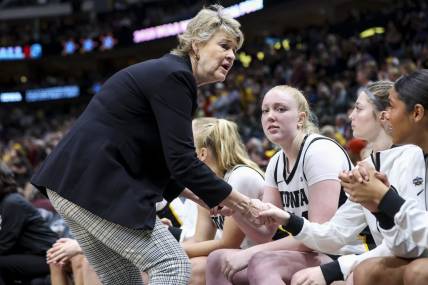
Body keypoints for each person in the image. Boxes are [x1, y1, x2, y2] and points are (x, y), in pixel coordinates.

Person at [30, 5, 261, 285]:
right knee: (171, 264)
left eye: (234, 50)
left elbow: (167, 163)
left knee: (123, 279)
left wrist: (208, 199)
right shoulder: (175, 77)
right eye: (224, 45)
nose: (231, 56)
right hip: (92, 185)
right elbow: (183, 162)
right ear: (197, 44)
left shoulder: (166, 74)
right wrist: (243, 204)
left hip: (74, 184)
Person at [252, 81, 427, 285]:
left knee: (375, 273)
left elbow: (412, 243)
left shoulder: (411, 157)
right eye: (265, 110)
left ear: (383, 115)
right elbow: (336, 232)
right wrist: (287, 219)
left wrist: (336, 269)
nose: (350, 116)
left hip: (375, 254)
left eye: (358, 108)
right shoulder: (367, 166)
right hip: (386, 254)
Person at [206, 85, 358, 285]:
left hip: (340, 253)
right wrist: (235, 210)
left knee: (263, 262)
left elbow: (318, 236)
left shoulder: (319, 151)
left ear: (301, 118)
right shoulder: (277, 162)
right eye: (265, 110)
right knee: (217, 259)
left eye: (280, 109)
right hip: (307, 252)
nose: (270, 116)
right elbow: (265, 234)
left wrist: (250, 253)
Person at [343, 70, 428, 285]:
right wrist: (379, 209)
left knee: (419, 272)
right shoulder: (416, 157)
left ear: (417, 113)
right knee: (367, 272)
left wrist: (385, 197)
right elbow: (409, 246)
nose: (385, 115)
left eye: (390, 106)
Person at [183, 117, 265, 285]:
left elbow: (229, 243)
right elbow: (200, 240)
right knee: (173, 265)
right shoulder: (208, 184)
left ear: (202, 153)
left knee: (194, 270)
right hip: (237, 256)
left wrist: (176, 251)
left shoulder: (241, 177)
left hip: (263, 255)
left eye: (185, 144)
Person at [0, 163, 58, 285]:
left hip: (47, 256)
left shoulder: (12, 202)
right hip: (34, 255)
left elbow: (5, 243)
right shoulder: (7, 202)